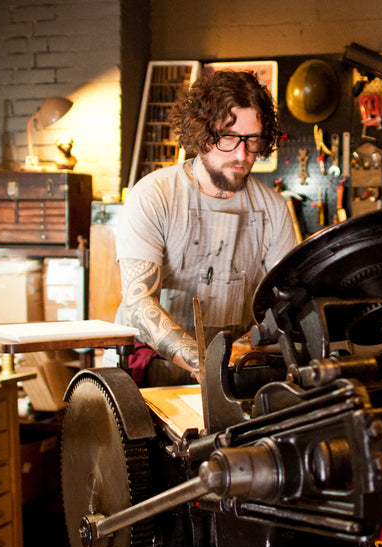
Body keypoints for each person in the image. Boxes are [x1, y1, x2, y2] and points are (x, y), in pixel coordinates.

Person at [111, 69, 298, 386]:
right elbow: (139, 304)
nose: (242, 154)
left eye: (252, 140)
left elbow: (286, 303)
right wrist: (205, 362)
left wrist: (242, 353)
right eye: (228, 138)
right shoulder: (155, 195)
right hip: (149, 369)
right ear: (202, 134)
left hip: (232, 367)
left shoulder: (274, 210)